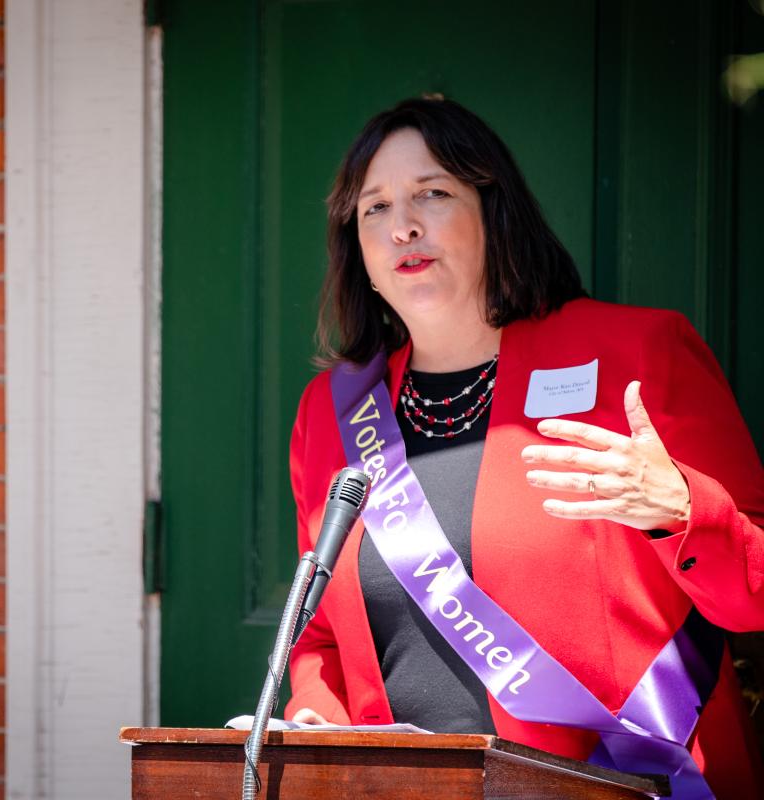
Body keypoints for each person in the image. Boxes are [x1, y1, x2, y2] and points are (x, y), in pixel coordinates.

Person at [283, 97, 764, 798]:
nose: (403, 226)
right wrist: (319, 729)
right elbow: (318, 636)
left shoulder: (638, 354)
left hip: (622, 784)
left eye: (433, 193)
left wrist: (684, 509)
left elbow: (754, 598)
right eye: (374, 208)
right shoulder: (332, 413)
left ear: (494, 209)